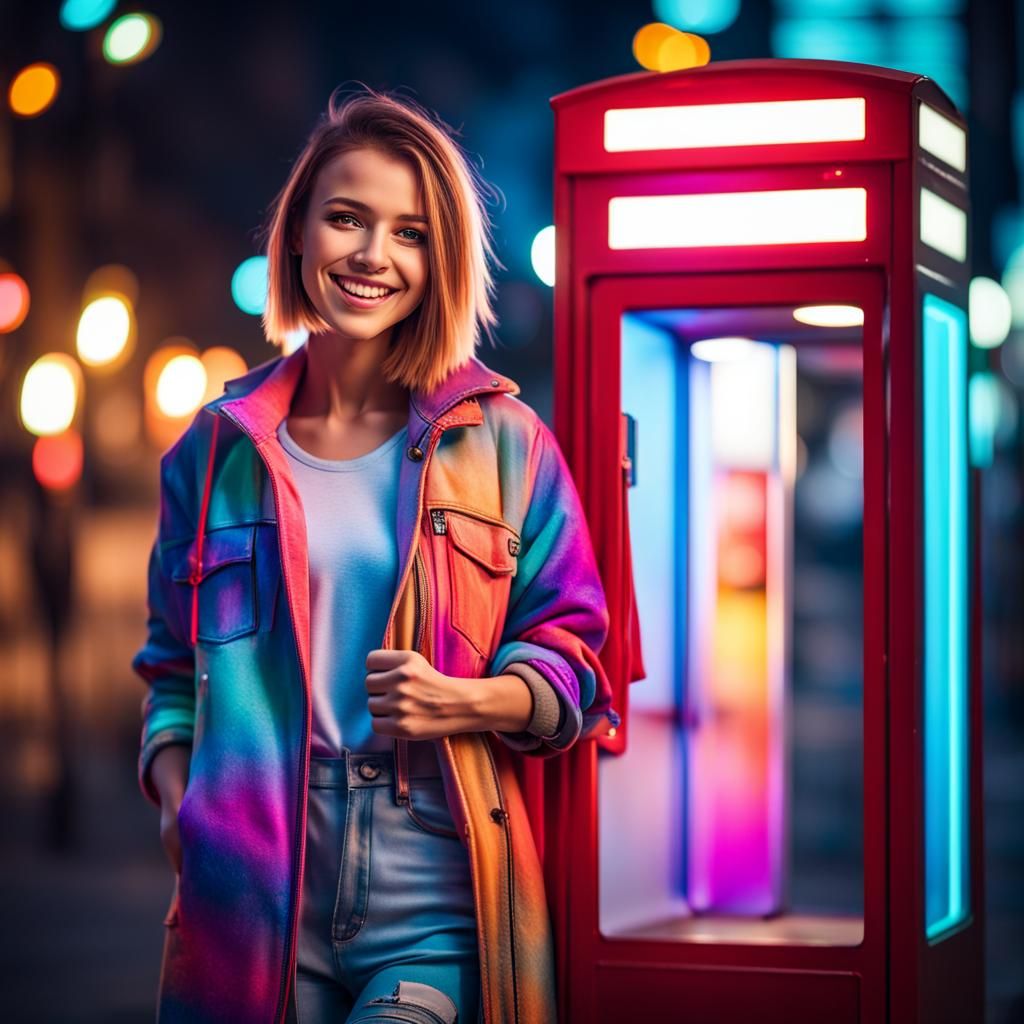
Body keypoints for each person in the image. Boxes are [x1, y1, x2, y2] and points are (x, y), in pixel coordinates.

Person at [132, 84, 620, 1024]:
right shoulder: (213, 451)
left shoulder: (506, 445)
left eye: (410, 233)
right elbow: (169, 667)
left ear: (441, 262)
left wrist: (465, 701)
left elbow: (575, 657)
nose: (371, 254)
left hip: (431, 883)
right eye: (347, 218)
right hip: (251, 887)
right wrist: (175, 802)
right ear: (297, 235)